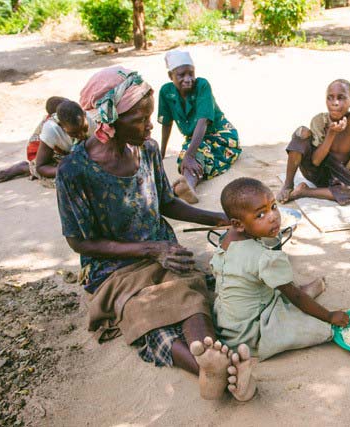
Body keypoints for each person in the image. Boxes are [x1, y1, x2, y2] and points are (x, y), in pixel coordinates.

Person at [56, 66, 255, 402]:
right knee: (143, 312)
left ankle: (212, 365)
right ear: (109, 120)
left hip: (163, 250)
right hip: (113, 268)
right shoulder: (74, 171)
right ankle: (208, 368)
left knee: (190, 293)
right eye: (140, 119)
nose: (150, 126)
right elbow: (79, 241)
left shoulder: (145, 149)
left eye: (149, 117)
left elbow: (166, 202)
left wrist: (218, 219)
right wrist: (151, 249)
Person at [212, 177, 350, 361]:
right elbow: (295, 296)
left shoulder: (227, 240)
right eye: (260, 215)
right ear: (238, 224)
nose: (273, 217)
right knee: (313, 327)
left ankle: (303, 294)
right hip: (251, 330)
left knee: (272, 287)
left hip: (228, 321)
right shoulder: (264, 258)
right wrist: (329, 315)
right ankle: (311, 305)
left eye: (273, 206)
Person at [277, 79, 350, 206]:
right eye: (330, 98)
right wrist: (331, 134)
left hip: (340, 175)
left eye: (341, 97)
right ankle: (288, 184)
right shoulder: (319, 121)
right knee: (302, 132)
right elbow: (316, 161)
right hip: (316, 172)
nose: (335, 103)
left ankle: (305, 191)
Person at [158, 49, 242, 204]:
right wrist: (161, 154)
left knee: (195, 153)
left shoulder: (202, 85)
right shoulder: (166, 92)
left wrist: (190, 155)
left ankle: (188, 185)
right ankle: (186, 186)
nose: (188, 79)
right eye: (181, 75)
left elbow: (203, 121)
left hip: (220, 135)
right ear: (170, 76)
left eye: (191, 73)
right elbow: (166, 123)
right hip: (195, 138)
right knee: (187, 155)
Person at [0, 96, 93, 182]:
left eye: (84, 129)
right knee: (69, 181)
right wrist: (66, 171)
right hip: (54, 154)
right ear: (61, 125)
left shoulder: (91, 120)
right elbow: (41, 166)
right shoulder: (51, 129)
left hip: (72, 151)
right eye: (74, 133)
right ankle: (25, 168)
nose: (81, 135)